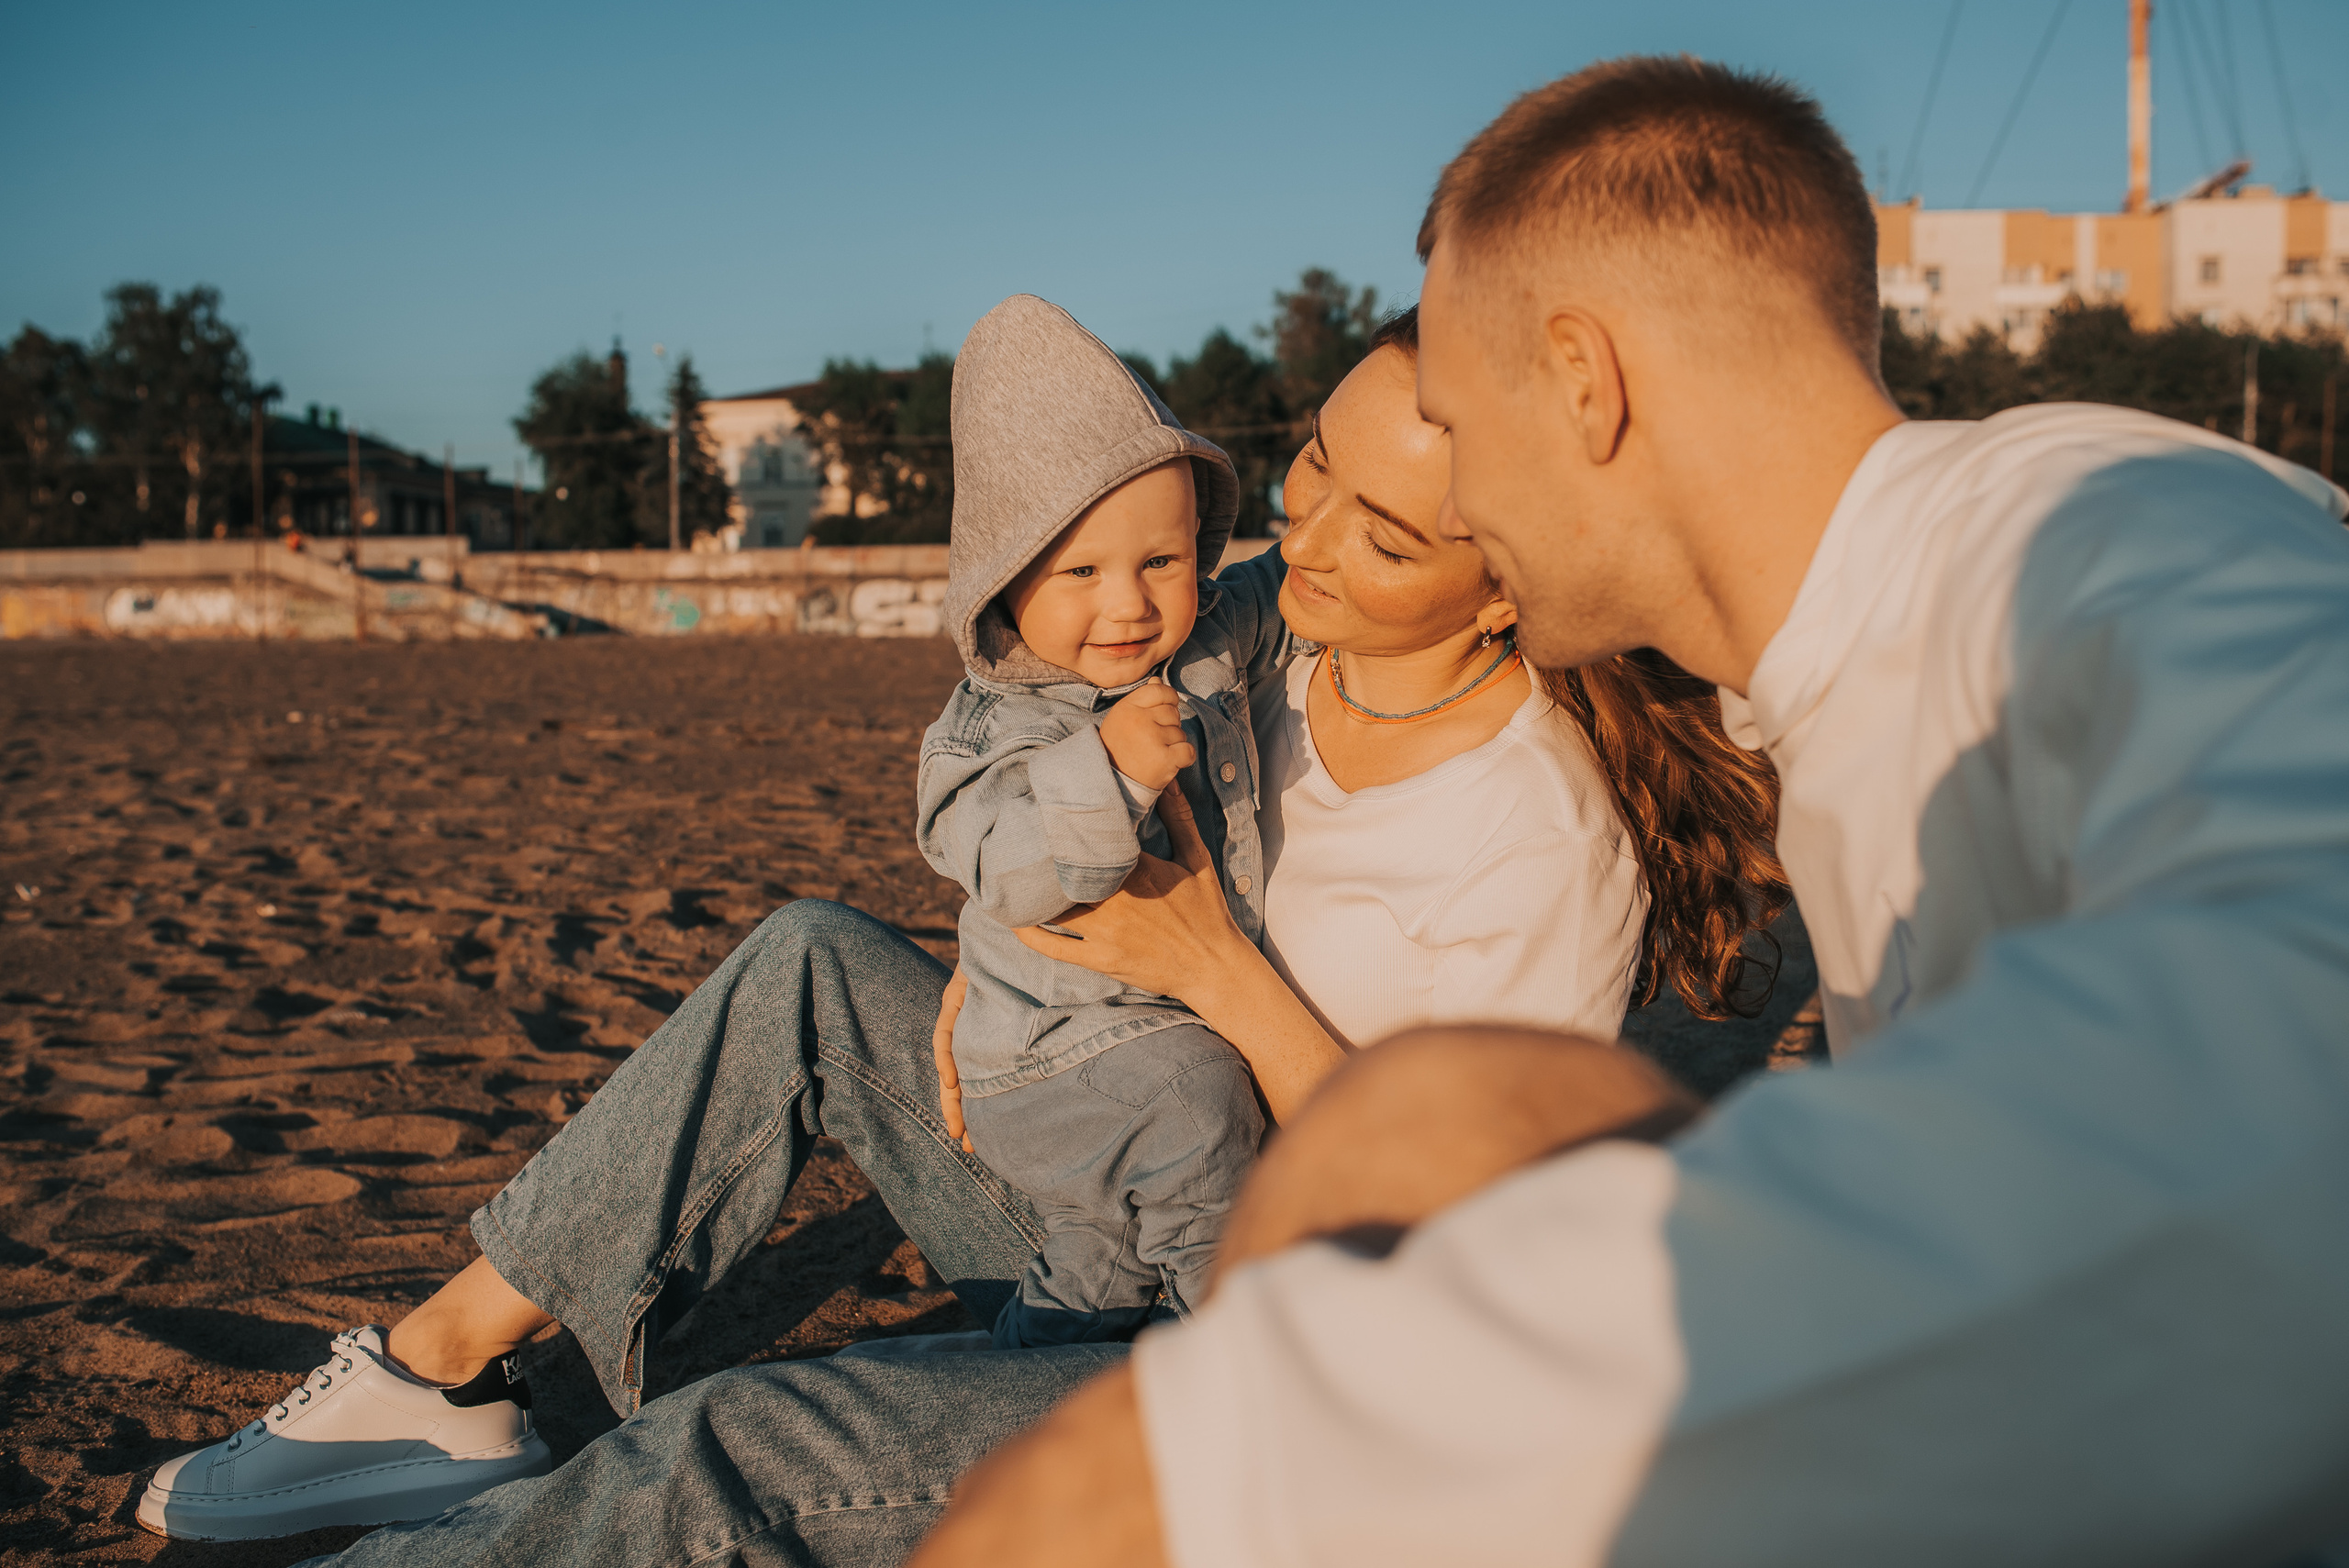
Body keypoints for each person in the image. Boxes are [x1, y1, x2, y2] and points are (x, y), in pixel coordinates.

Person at [912, 56, 2349, 1568]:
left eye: (1456, 424)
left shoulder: (2086, 524)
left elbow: (2299, 1027)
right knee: (1441, 1110)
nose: (1453, 501)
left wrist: (1266, 1449)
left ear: (1582, 383)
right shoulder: (1818, 685)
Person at [134, 278, 1784, 1551]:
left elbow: (1459, 1247)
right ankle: (436, 1375)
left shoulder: (1534, 832)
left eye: (1391, 530)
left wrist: (1206, 958)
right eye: (1310, 467)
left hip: (1275, 1350)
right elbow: (1040, 671)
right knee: (807, 959)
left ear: (1516, 575)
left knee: (743, 1447)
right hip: (1097, 1172)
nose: (1309, 540)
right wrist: (999, 986)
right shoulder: (1265, 630)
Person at [917, 291, 1282, 1348]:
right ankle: (1238, 1352)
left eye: (1160, 562)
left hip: (1124, 1037)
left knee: (1096, 1263)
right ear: (1004, 576)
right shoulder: (990, 727)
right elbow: (1006, 867)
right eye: (1080, 570)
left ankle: (1043, 1364)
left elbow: (1287, 582)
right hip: (1045, 1057)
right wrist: (1106, 772)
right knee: (1199, 1108)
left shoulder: (1203, 641)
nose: (1129, 603)